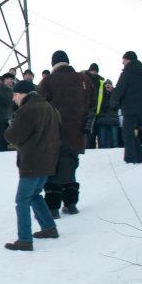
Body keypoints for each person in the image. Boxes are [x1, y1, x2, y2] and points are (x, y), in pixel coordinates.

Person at [3, 81, 61, 252]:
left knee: (22, 200)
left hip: (32, 161)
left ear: (24, 94)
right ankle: (49, 228)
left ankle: (24, 240)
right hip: (48, 160)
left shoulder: (28, 109)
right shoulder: (48, 106)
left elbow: (13, 136)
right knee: (35, 194)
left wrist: (9, 128)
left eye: (15, 94)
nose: (13, 98)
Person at [36, 50, 92, 217]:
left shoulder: (48, 81)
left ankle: (52, 208)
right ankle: (71, 204)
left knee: (52, 169)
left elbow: (39, 105)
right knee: (70, 166)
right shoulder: (84, 79)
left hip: (54, 132)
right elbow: (93, 103)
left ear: (53, 64)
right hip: (77, 132)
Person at [111, 51, 142, 164]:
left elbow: (120, 88)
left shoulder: (127, 72)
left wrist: (113, 102)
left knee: (127, 134)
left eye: (123, 60)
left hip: (129, 107)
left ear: (128, 60)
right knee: (130, 133)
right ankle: (141, 157)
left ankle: (130, 159)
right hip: (141, 109)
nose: (122, 63)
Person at [0, 73, 15, 151]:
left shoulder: (10, 90)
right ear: (5, 80)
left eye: (12, 79)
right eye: (9, 79)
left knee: (4, 136)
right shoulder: (0, 89)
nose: (11, 81)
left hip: (6, 117)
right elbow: (6, 101)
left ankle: (3, 150)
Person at [95, 80, 120, 148]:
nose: (108, 86)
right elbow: (101, 105)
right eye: (106, 85)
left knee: (115, 141)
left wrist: (111, 94)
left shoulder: (115, 94)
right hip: (102, 120)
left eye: (109, 85)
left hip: (113, 120)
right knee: (102, 141)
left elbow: (115, 105)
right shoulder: (100, 95)